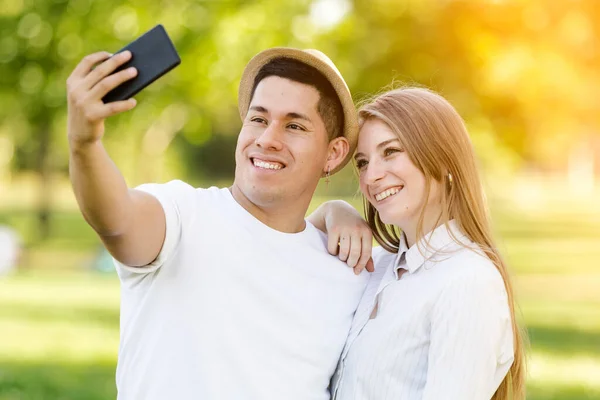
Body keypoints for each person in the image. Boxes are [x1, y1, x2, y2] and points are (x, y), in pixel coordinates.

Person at [66, 47, 373, 400]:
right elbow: (117, 220)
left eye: (294, 125)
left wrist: (335, 211)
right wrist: (84, 144)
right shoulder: (183, 215)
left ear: (333, 154)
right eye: (258, 119)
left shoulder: (350, 270)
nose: (267, 139)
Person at [311, 87, 526, 399]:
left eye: (391, 152)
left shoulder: (467, 281)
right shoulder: (378, 264)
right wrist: (330, 211)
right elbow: (285, 264)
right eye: (362, 162)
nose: (371, 176)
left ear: (443, 159)